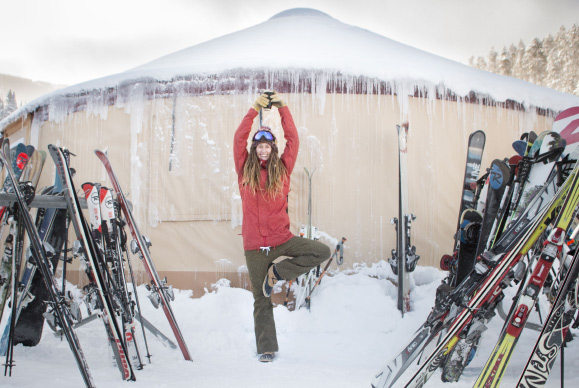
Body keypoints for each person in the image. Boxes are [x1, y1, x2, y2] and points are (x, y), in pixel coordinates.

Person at [233, 91, 331, 363]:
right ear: (255, 148)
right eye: (259, 146)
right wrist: (254, 110)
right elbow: (238, 138)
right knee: (260, 298)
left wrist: (282, 108)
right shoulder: (244, 171)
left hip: (281, 240)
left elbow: (294, 139)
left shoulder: (283, 170)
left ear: (273, 148)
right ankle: (267, 347)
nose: (263, 150)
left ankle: (278, 272)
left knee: (320, 252)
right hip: (254, 246)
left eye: (268, 146)